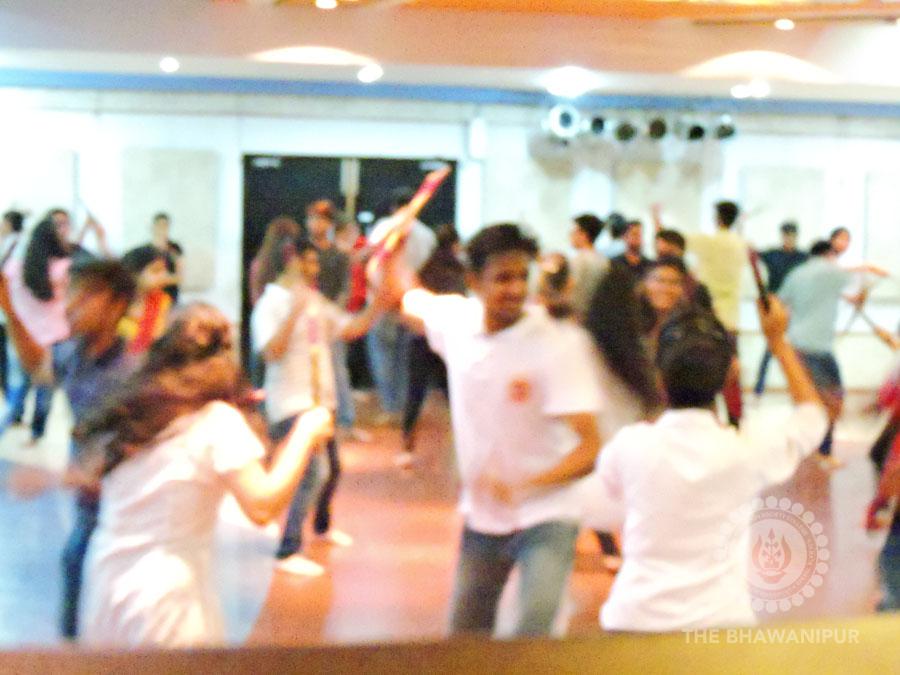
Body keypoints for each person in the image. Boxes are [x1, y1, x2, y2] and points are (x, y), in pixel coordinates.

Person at [67, 304, 334, 648]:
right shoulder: (215, 421)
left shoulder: (135, 410)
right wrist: (305, 433)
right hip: (166, 592)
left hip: (106, 578)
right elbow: (262, 505)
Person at [387, 223, 605, 637]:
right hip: (482, 518)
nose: (516, 288)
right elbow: (404, 293)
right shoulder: (455, 319)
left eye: (522, 276)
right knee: (465, 639)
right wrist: (392, 250)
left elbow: (590, 447)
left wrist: (526, 484)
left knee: (533, 632)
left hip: (548, 515)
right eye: (503, 278)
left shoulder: (558, 344)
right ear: (473, 281)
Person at [589, 299, 828, 632]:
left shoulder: (629, 445)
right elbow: (813, 419)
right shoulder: (748, 449)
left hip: (635, 621)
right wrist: (778, 342)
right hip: (720, 628)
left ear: (659, 378)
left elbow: (608, 501)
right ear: (730, 376)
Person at [0, 259, 138, 640]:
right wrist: (8, 306)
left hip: (123, 524)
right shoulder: (75, 353)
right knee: (75, 623)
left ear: (116, 305)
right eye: (70, 294)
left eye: (86, 295)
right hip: (89, 515)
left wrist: (48, 478)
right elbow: (38, 367)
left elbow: (121, 462)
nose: (72, 305)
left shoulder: (130, 374)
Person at [252, 237, 385, 576]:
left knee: (332, 470)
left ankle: (322, 528)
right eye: (307, 262)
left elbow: (350, 327)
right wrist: (293, 313)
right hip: (290, 402)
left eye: (315, 262)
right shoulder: (271, 302)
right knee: (314, 472)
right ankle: (287, 549)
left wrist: (378, 305)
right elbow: (270, 352)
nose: (314, 269)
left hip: (320, 402)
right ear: (290, 260)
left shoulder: (314, 301)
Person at [778, 240, 888, 468]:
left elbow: (780, 303)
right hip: (819, 349)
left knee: (806, 400)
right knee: (832, 400)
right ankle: (823, 451)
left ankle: (803, 449)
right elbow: (860, 275)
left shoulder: (796, 274)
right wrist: (870, 273)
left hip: (796, 346)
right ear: (829, 255)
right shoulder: (832, 272)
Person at [397, 224, 467, 467]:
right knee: (453, 394)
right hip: (447, 341)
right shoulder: (459, 271)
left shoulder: (426, 268)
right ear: (455, 245)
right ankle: (465, 442)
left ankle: (407, 447)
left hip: (420, 337)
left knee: (414, 394)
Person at [366, 187, 437, 423]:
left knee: (383, 354)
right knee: (406, 357)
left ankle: (390, 406)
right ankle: (406, 406)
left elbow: (374, 259)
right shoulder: (427, 234)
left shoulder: (384, 227)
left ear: (394, 206)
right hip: (412, 299)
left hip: (384, 298)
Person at [0, 219, 71, 443]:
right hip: (54, 338)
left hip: (22, 337)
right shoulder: (62, 268)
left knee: (16, 390)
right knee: (44, 393)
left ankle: (5, 425)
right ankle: (36, 433)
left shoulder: (14, 267)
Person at [682, 201, 748, 427]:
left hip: (707, 317)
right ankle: (735, 420)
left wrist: (656, 218)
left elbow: (676, 241)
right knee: (731, 372)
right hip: (732, 317)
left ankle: (707, 418)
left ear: (717, 218)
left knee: (703, 371)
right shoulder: (741, 244)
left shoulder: (709, 241)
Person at [306, 200, 361, 441]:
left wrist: (333, 316)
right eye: (311, 218)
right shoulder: (300, 252)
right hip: (305, 320)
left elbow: (344, 290)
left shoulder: (338, 255)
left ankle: (345, 420)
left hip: (330, 322)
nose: (315, 224)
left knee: (337, 370)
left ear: (329, 224)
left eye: (320, 219)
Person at [754, 222, 809, 397]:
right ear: (782, 236)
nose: (789, 239)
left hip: (795, 308)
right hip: (775, 309)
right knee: (771, 348)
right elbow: (752, 255)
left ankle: (803, 388)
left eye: (792, 235)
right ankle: (759, 389)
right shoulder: (773, 255)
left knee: (799, 349)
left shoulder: (803, 257)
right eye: (786, 235)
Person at [119, 246, 174, 354]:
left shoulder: (161, 301)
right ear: (133, 273)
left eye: (165, 271)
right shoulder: (114, 303)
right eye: (156, 271)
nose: (164, 277)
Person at [0, 210, 25, 395]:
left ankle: (9, 391)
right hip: (11, 309)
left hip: (9, 308)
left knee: (8, 355)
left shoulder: (12, 245)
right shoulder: (19, 243)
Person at [568, 214, 608, 319]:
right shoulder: (603, 260)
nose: (570, 235)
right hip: (598, 316)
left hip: (578, 316)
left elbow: (571, 291)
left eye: (574, 231)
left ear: (583, 234)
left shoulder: (579, 260)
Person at [148, 212, 183, 302]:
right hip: (150, 299)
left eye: (165, 225)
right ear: (153, 227)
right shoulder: (144, 251)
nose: (162, 229)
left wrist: (163, 279)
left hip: (170, 298)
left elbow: (180, 277)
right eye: (159, 225)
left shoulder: (175, 248)